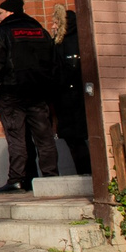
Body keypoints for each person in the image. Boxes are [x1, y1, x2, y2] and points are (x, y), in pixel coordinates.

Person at [0, 0, 63, 193]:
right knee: (44, 137)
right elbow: (54, 64)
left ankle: (18, 180)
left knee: (16, 137)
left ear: (10, 12)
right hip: (38, 94)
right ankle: (51, 177)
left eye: (0, 13)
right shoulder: (40, 31)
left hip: (11, 94)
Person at [52, 10, 89, 176]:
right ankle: (84, 171)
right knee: (74, 138)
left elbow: (66, 71)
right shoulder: (65, 42)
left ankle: (85, 171)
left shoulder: (68, 43)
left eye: (56, 23)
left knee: (75, 138)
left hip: (71, 99)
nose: (53, 26)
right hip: (68, 99)